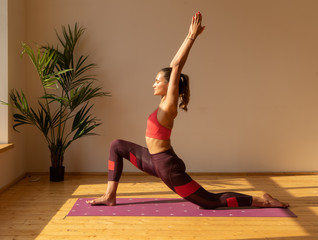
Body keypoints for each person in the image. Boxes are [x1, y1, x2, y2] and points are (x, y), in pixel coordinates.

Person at [87, 12, 289, 209]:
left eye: (157, 81)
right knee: (116, 145)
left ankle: (263, 200)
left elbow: (176, 66)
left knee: (210, 202)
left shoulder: (169, 105)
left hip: (167, 167)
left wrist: (191, 36)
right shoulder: (163, 102)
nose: (153, 84)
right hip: (153, 159)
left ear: (169, 85)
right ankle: (109, 195)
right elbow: (172, 68)